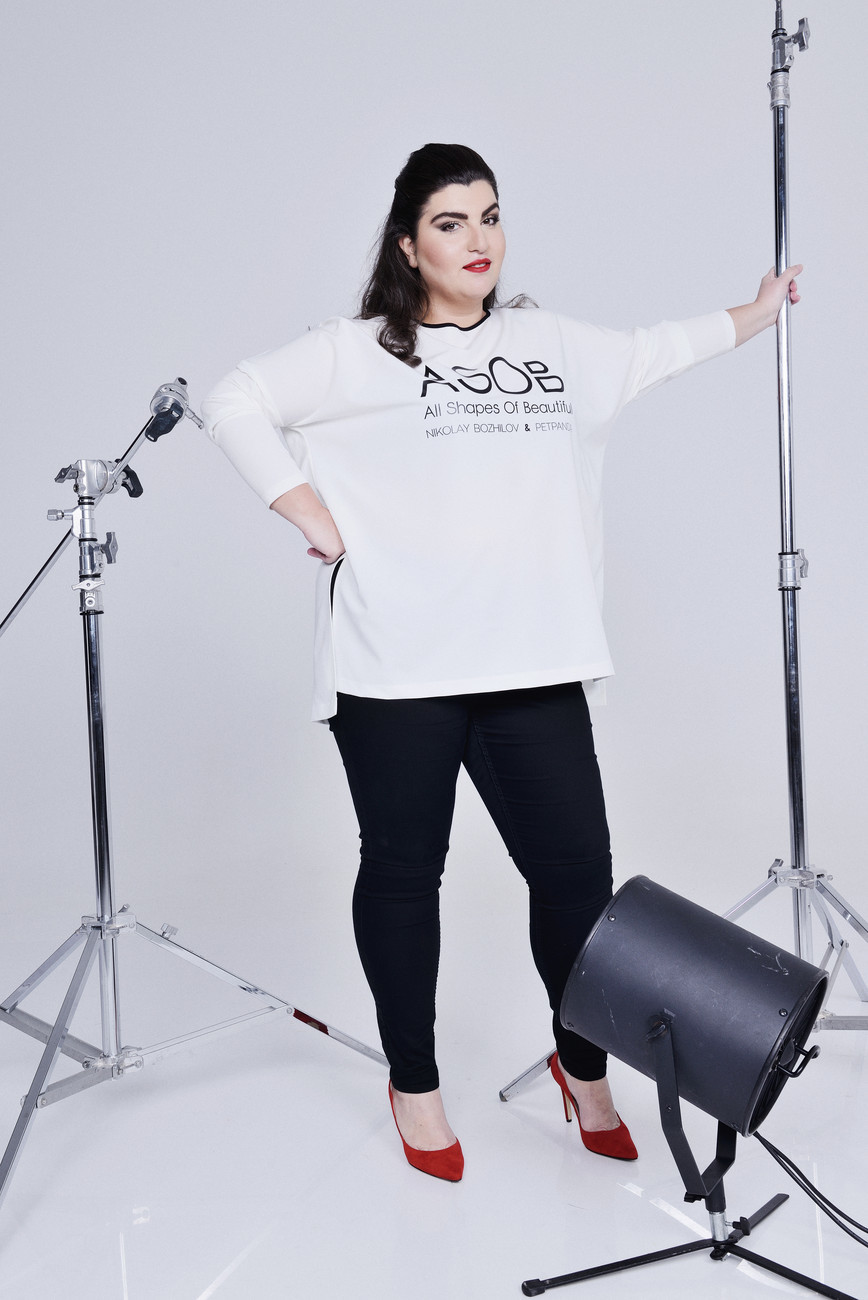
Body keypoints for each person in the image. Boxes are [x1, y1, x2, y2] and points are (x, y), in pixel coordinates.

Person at [202, 143, 801, 1183]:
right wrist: (302, 506)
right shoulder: (355, 353)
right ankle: (415, 1082)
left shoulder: (550, 343)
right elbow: (235, 398)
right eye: (450, 222)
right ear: (407, 244)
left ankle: (582, 1063)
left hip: (532, 661)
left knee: (575, 878)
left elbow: (661, 349)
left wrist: (758, 310)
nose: (477, 239)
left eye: (489, 216)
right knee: (404, 873)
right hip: (397, 670)